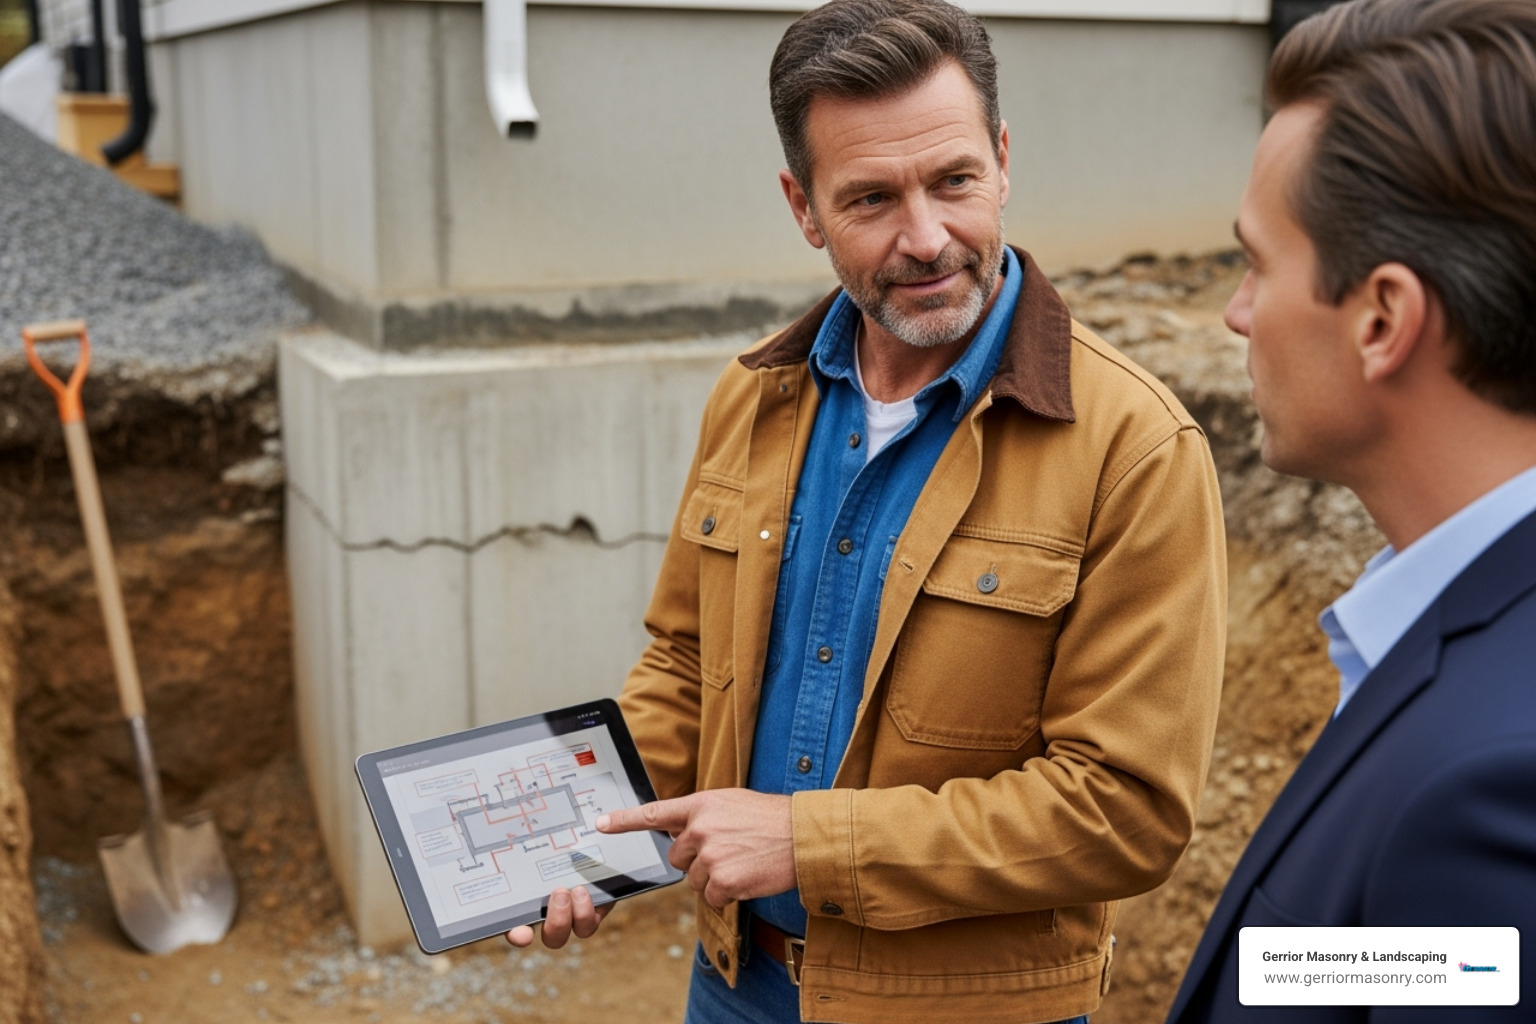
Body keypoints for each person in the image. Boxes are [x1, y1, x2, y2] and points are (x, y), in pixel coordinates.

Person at [510, 1, 1227, 1020]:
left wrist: (809, 840)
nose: (927, 237)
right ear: (803, 207)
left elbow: (1125, 811)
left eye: (955, 182)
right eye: (873, 199)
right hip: (734, 985)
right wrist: (585, 839)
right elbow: (682, 665)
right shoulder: (752, 398)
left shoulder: (1136, 449)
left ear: (1004, 158)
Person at [1166, 2, 1536, 1022]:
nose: (1236, 313)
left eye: (1255, 262)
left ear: (1382, 320)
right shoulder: (1457, 636)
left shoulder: (1492, 786)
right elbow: (1407, 962)